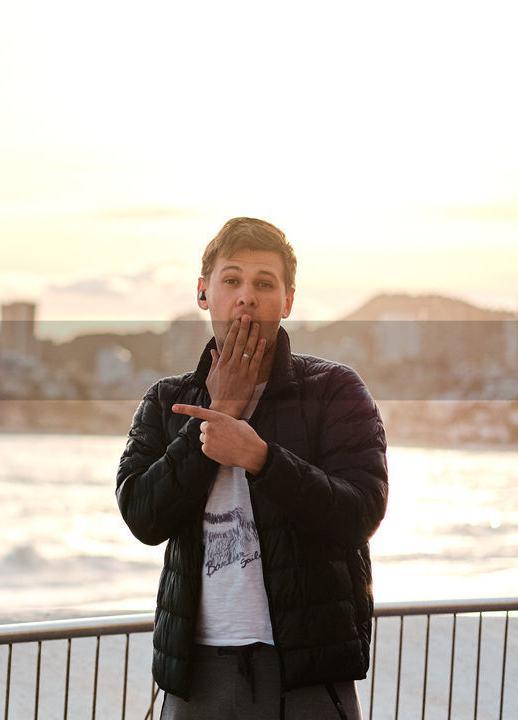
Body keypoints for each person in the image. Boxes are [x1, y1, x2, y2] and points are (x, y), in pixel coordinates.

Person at [115, 217, 388, 719]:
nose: (247, 296)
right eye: (232, 280)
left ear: (287, 301)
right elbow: (142, 516)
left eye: (265, 283)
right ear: (204, 293)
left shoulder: (334, 389)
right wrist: (217, 417)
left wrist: (260, 458)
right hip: (196, 670)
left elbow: (360, 513)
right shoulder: (167, 401)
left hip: (306, 672)